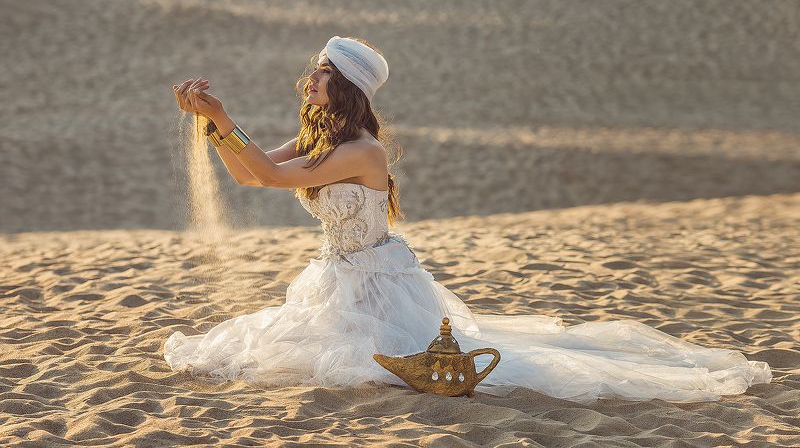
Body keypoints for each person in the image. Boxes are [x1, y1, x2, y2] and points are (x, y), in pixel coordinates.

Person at [164, 36, 771, 403]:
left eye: (323, 73)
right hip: (337, 274)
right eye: (315, 71)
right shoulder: (318, 140)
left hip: (378, 283)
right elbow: (249, 171)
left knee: (364, 365)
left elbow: (267, 179)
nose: (311, 80)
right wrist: (213, 123)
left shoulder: (361, 152)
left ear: (346, 87)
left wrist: (223, 116)